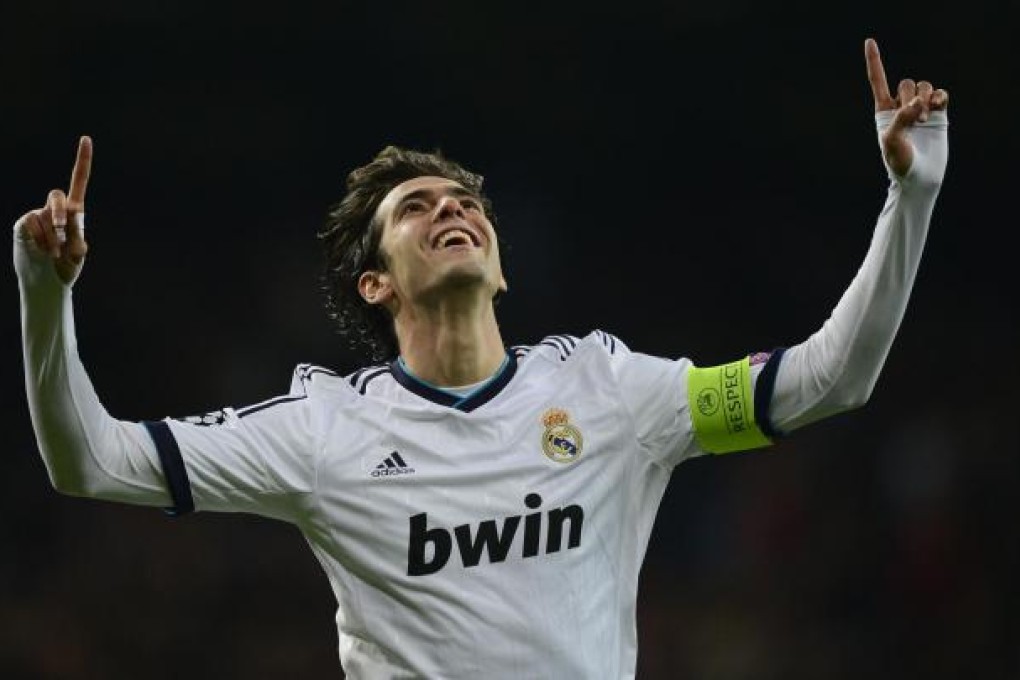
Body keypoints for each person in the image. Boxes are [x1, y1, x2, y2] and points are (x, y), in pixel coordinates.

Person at [14, 38, 948, 678]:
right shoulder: (324, 431)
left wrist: (911, 198)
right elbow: (88, 460)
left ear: (500, 266)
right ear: (375, 283)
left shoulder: (611, 393)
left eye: (465, 204)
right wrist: (46, 296)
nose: (451, 210)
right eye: (416, 208)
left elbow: (832, 380)